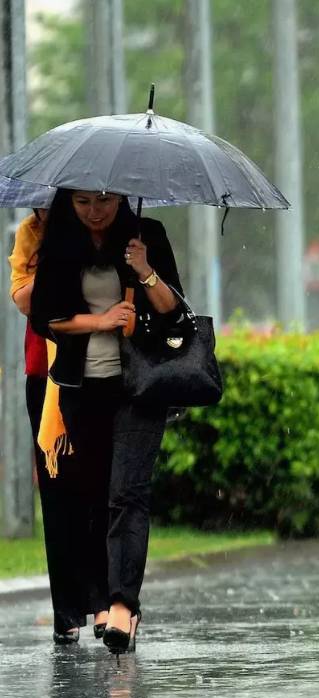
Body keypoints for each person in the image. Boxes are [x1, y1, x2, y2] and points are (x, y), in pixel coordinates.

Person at [30, 189, 184, 654]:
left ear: (121, 198)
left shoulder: (147, 235)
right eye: (82, 203)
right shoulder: (60, 243)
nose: (94, 212)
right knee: (93, 495)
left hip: (138, 387)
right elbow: (44, 318)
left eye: (104, 201)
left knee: (128, 493)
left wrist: (144, 270)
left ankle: (123, 606)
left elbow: (175, 312)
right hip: (82, 389)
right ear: (67, 205)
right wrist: (98, 323)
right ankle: (100, 598)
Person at [9, 207, 98, 644]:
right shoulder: (32, 234)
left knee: (97, 487)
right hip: (44, 373)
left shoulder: (104, 229)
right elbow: (23, 299)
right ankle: (67, 611)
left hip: (101, 370)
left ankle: (104, 602)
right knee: (57, 488)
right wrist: (56, 264)